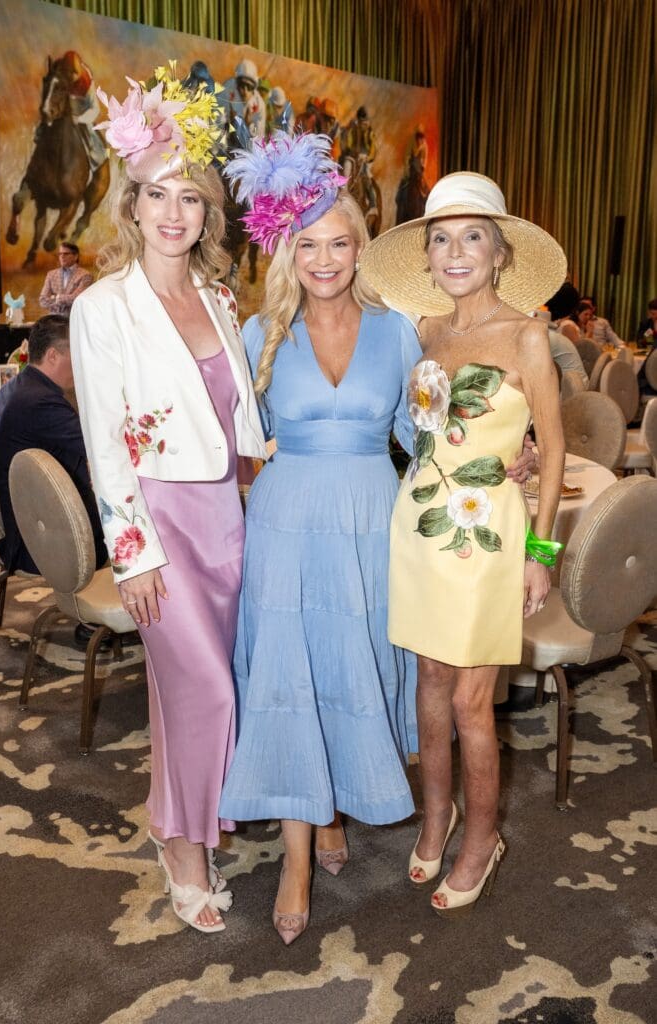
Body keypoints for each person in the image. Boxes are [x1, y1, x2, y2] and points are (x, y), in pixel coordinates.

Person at [219, 139, 534, 943]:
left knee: (349, 664)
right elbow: (234, 441)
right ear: (288, 253)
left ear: (361, 250)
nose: (324, 260)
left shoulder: (398, 332)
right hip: (285, 527)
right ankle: (298, 854)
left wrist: (509, 452)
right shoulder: (257, 332)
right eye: (307, 245)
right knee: (291, 675)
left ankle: (331, 812)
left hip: (372, 523)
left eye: (338, 243)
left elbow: (421, 432)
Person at [70, 66, 266, 935]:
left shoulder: (219, 298)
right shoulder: (102, 308)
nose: (173, 212)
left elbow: (238, 419)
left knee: (199, 689)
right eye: (156, 194)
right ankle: (182, 846)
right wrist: (133, 554)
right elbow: (104, 440)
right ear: (132, 205)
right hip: (159, 523)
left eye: (189, 197)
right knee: (205, 692)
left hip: (228, 518)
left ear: (206, 213)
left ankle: (182, 814)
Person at [361, 172, 566, 916]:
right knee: (427, 685)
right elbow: (415, 431)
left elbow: (555, 446)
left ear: (499, 253)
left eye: (472, 236)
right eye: (441, 238)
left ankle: (482, 838)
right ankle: (436, 816)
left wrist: (540, 555)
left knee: (474, 703)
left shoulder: (527, 335)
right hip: (418, 528)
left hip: (485, 535)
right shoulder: (422, 331)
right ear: (426, 256)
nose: (455, 252)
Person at [0, 314, 106, 577]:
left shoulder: (16, 388)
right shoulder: (40, 402)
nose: (80, 364)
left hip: (26, 524)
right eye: (75, 356)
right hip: (44, 537)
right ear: (53, 355)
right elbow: (99, 447)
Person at [38, 243, 93, 316]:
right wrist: (66, 299)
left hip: (73, 318)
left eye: (66, 254)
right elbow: (42, 300)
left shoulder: (85, 275)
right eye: (60, 254)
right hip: (53, 319)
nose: (62, 256)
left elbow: (76, 299)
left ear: (76, 256)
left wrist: (55, 297)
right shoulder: (51, 274)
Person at [221, 59, 266, 138]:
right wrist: (229, 122)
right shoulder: (228, 89)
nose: (245, 91)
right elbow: (218, 120)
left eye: (249, 86)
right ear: (237, 84)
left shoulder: (259, 105)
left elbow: (259, 138)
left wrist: (249, 124)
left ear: (254, 87)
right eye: (242, 85)